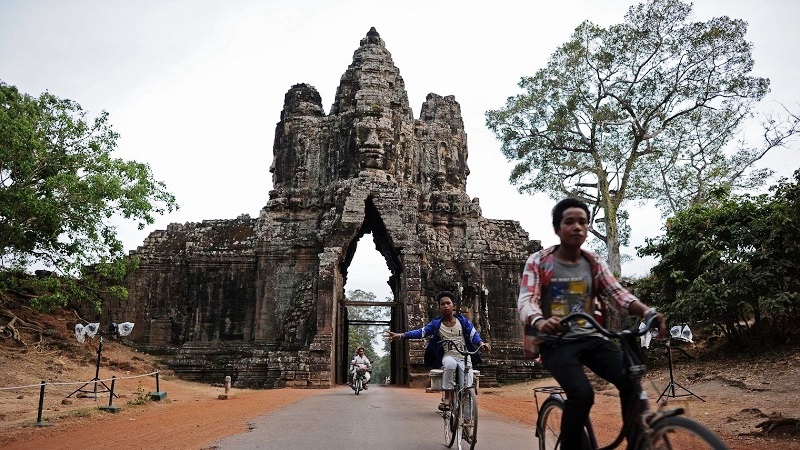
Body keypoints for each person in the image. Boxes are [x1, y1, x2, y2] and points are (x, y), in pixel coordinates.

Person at [518, 197, 666, 450]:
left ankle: (637, 443)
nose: (577, 227)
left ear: (587, 228)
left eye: (583, 222)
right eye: (569, 222)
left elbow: (618, 294)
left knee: (630, 380)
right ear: (557, 229)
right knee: (582, 395)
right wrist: (541, 321)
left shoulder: (593, 262)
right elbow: (527, 301)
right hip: (556, 342)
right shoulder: (539, 261)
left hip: (592, 337)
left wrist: (647, 312)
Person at [386, 291, 490, 412]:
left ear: (454, 306)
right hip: (448, 355)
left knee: (467, 387)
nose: (445, 306)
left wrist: (482, 344)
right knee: (450, 364)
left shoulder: (463, 321)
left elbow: (474, 335)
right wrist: (400, 335)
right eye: (442, 304)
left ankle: (467, 419)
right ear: (439, 307)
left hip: (465, 357)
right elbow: (421, 332)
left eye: (448, 303)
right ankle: (447, 397)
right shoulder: (436, 324)